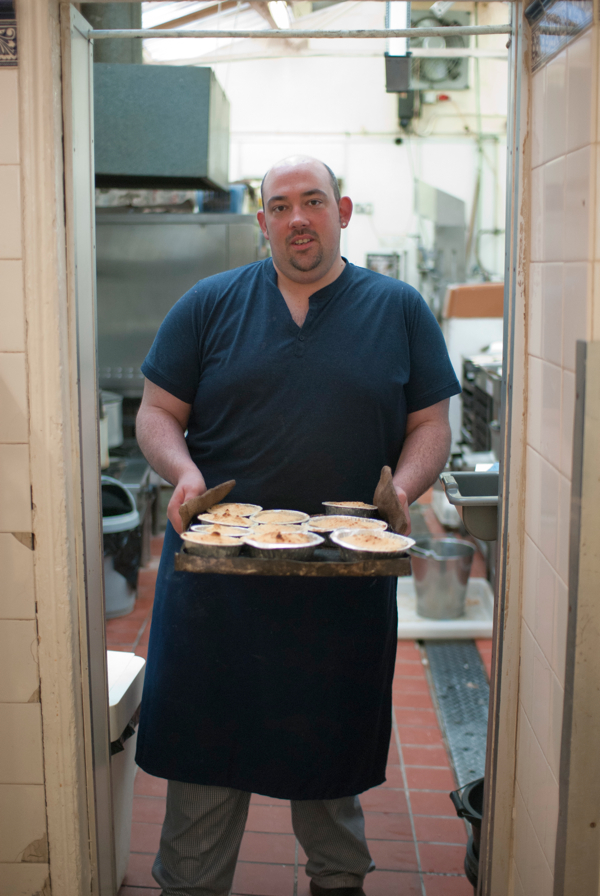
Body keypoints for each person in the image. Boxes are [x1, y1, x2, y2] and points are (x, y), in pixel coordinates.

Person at [135, 155, 460, 896]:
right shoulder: (208, 304)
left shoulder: (398, 309)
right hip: (219, 590)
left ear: (342, 212)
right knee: (202, 773)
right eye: (280, 207)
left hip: (339, 586)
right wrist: (183, 472)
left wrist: (402, 488)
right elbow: (158, 412)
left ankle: (337, 884)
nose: (297, 219)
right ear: (263, 222)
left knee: (331, 777)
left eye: (313, 202)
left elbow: (431, 423)